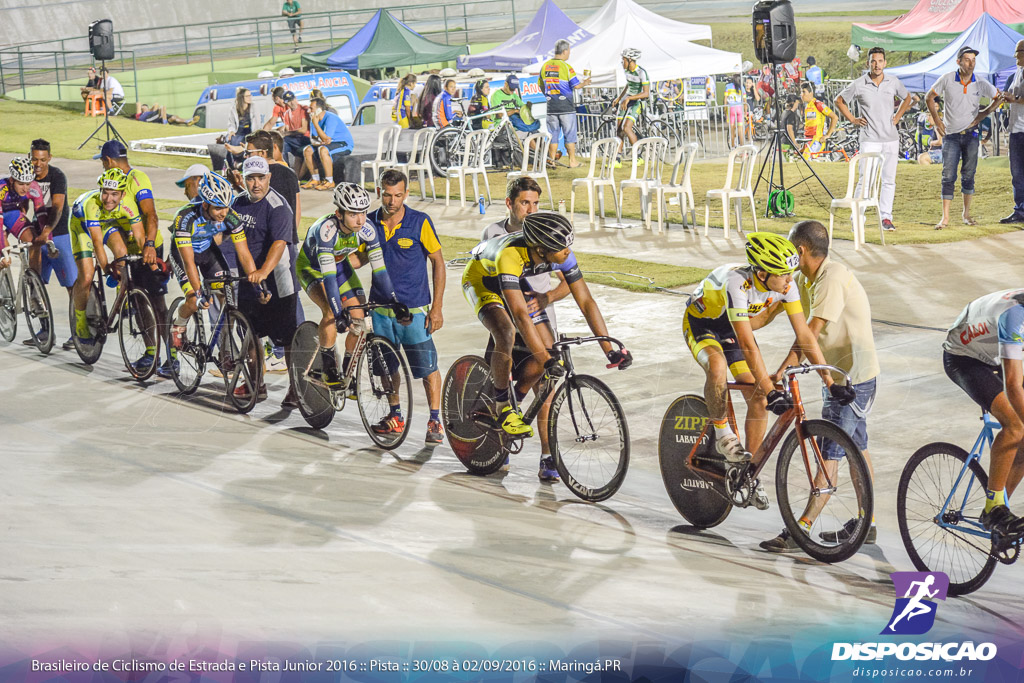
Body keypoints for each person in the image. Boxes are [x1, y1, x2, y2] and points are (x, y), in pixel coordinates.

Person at [462, 211, 632, 479]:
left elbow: (586, 302)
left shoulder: (559, 253)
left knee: (549, 354)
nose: (568, 252)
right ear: (541, 249)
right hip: (482, 280)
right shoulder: (511, 254)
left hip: (516, 280)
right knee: (506, 332)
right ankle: (501, 404)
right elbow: (519, 316)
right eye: (562, 248)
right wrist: (544, 359)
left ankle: (516, 396)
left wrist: (608, 347)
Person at [760, 221, 880, 552]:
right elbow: (770, 308)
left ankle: (801, 529)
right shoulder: (802, 278)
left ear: (800, 251)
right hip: (836, 376)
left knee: (830, 452)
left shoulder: (833, 277)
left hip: (852, 379)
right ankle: (867, 522)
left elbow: (809, 332)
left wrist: (781, 370)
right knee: (858, 446)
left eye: (788, 251)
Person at [682, 232, 852, 466]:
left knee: (758, 398)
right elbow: (747, 343)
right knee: (717, 365)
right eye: (784, 275)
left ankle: (748, 470)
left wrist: (829, 381)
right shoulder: (736, 283)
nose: (790, 281)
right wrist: (772, 390)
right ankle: (723, 435)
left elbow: (804, 335)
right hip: (702, 325)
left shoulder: (784, 285)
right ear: (762, 273)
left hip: (731, 328)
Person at [479, 177, 571, 471]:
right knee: (500, 379)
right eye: (524, 203)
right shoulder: (493, 233)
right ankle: (502, 438)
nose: (531, 209)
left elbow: (570, 283)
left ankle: (547, 456)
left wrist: (547, 298)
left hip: (539, 319)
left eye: (535, 203)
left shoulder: (547, 231)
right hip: (509, 315)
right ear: (510, 204)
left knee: (544, 390)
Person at [356, 170, 446, 442]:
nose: (392, 200)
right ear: (379, 192)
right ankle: (395, 415)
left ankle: (434, 421)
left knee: (427, 368)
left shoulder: (420, 222)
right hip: (379, 309)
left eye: (398, 195)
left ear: (406, 194)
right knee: (385, 368)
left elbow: (438, 262)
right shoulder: (368, 222)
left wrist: (437, 307)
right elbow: (360, 258)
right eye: (387, 194)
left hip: (415, 311)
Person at [295, 183, 410, 392]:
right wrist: (339, 313)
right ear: (339, 213)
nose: (359, 219)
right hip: (312, 268)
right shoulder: (327, 231)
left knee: (360, 319)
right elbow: (329, 280)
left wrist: (394, 301)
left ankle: (347, 373)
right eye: (353, 214)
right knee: (330, 312)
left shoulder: (367, 229)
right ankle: (327, 367)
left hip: (338, 265)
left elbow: (380, 271)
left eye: (363, 212)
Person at [68, 169, 168, 372]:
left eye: (114, 194)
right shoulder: (92, 205)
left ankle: (122, 294)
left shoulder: (128, 205)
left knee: (122, 252)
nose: (108, 198)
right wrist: (106, 269)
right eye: (105, 192)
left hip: (107, 223)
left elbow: (140, 239)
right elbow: (96, 242)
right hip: (83, 226)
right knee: (87, 276)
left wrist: (153, 264)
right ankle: (79, 323)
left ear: (123, 195)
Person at [943, 289, 1024, 539]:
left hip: (992, 350)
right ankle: (993, 509)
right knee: (1015, 425)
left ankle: (1001, 511)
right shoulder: (1014, 317)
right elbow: (1012, 385)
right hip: (965, 358)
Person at [231, 156, 299, 405]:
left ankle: (295, 388)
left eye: (261, 178)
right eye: (250, 178)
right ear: (243, 179)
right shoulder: (237, 203)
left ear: (269, 177)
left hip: (279, 281)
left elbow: (279, 244)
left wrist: (263, 273)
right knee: (251, 334)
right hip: (249, 278)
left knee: (286, 338)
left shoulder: (278, 206)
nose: (256, 184)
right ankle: (256, 383)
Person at [168, 173, 261, 353]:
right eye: (218, 208)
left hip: (207, 251)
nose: (223, 213)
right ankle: (178, 327)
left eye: (226, 207)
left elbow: (243, 252)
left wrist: (257, 283)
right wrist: (198, 291)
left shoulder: (231, 216)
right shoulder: (185, 217)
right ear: (205, 204)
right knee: (194, 300)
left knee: (227, 296)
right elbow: (188, 262)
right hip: (183, 253)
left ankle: (225, 350)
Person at [833, 47, 913, 232]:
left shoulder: (893, 81)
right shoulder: (859, 83)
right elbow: (839, 100)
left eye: (880, 61)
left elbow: (907, 98)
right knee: (865, 179)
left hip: (891, 139)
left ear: (885, 63)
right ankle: (857, 217)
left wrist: (898, 116)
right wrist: (852, 119)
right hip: (869, 139)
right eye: (873, 61)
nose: (876, 65)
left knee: (889, 180)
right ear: (868, 63)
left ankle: (886, 217)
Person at [927, 46, 1004, 230]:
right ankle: (945, 218)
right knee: (948, 176)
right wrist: (937, 121)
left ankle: (966, 214)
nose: (971, 63)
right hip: (951, 135)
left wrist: (983, 113)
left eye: (973, 60)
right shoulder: (947, 78)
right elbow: (929, 97)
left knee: (969, 175)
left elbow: (999, 97)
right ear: (959, 61)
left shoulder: (980, 82)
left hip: (971, 134)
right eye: (967, 59)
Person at [28, 140, 76, 348]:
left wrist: (47, 231)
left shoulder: (57, 176)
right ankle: (45, 330)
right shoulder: (26, 176)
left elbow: (57, 207)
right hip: (37, 238)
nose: (38, 164)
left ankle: (78, 333)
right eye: (34, 159)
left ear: (49, 158)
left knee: (71, 286)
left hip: (58, 235)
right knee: (34, 283)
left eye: (42, 160)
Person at [538, 39, 591, 168]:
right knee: (570, 135)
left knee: (553, 135)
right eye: (569, 51)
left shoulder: (545, 66)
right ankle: (572, 161)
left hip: (551, 107)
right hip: (566, 107)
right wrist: (585, 83)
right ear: (565, 51)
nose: (569, 54)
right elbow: (576, 86)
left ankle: (552, 161)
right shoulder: (566, 67)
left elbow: (540, 85)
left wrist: (549, 96)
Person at [302, 97, 354, 191]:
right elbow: (313, 140)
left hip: (343, 143)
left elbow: (326, 139)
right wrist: (320, 140)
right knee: (307, 150)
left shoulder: (330, 118)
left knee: (323, 149)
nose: (309, 111)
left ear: (319, 110)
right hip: (326, 143)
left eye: (311, 108)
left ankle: (329, 181)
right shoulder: (313, 119)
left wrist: (316, 124)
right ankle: (315, 179)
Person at [1001, 40, 1024, 225]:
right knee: (1016, 173)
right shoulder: (1016, 74)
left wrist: (1014, 98)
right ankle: (1020, 210)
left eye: (1018, 52)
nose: (1015, 56)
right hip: (1016, 130)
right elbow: (1006, 95)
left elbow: (1015, 97)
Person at [612, 48, 649, 149]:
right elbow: (628, 85)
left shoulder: (641, 72)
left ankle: (638, 156)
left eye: (623, 60)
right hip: (626, 100)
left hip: (637, 102)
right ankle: (618, 159)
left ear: (629, 60)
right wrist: (619, 98)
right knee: (619, 129)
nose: (622, 62)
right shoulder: (627, 71)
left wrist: (629, 98)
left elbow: (646, 93)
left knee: (627, 128)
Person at [800, 82, 838, 159]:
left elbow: (835, 117)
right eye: (801, 92)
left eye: (804, 92)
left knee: (805, 161)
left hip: (817, 139)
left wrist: (827, 135)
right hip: (808, 139)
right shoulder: (807, 106)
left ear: (811, 92)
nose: (801, 94)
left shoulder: (818, 104)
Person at [278, 91, 311, 169]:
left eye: (292, 100)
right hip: (294, 140)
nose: (291, 103)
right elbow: (287, 129)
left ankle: (286, 168)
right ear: (286, 103)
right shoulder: (286, 114)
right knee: (281, 143)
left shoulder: (303, 109)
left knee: (285, 140)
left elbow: (303, 130)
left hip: (305, 138)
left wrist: (287, 133)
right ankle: (286, 167)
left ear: (295, 98)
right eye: (289, 101)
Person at [725, 75, 746, 147]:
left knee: (732, 128)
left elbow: (725, 99)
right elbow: (745, 101)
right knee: (740, 128)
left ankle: (733, 146)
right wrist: (745, 111)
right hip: (739, 108)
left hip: (731, 108)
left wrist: (725, 110)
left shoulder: (728, 86)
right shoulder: (742, 87)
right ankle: (742, 145)